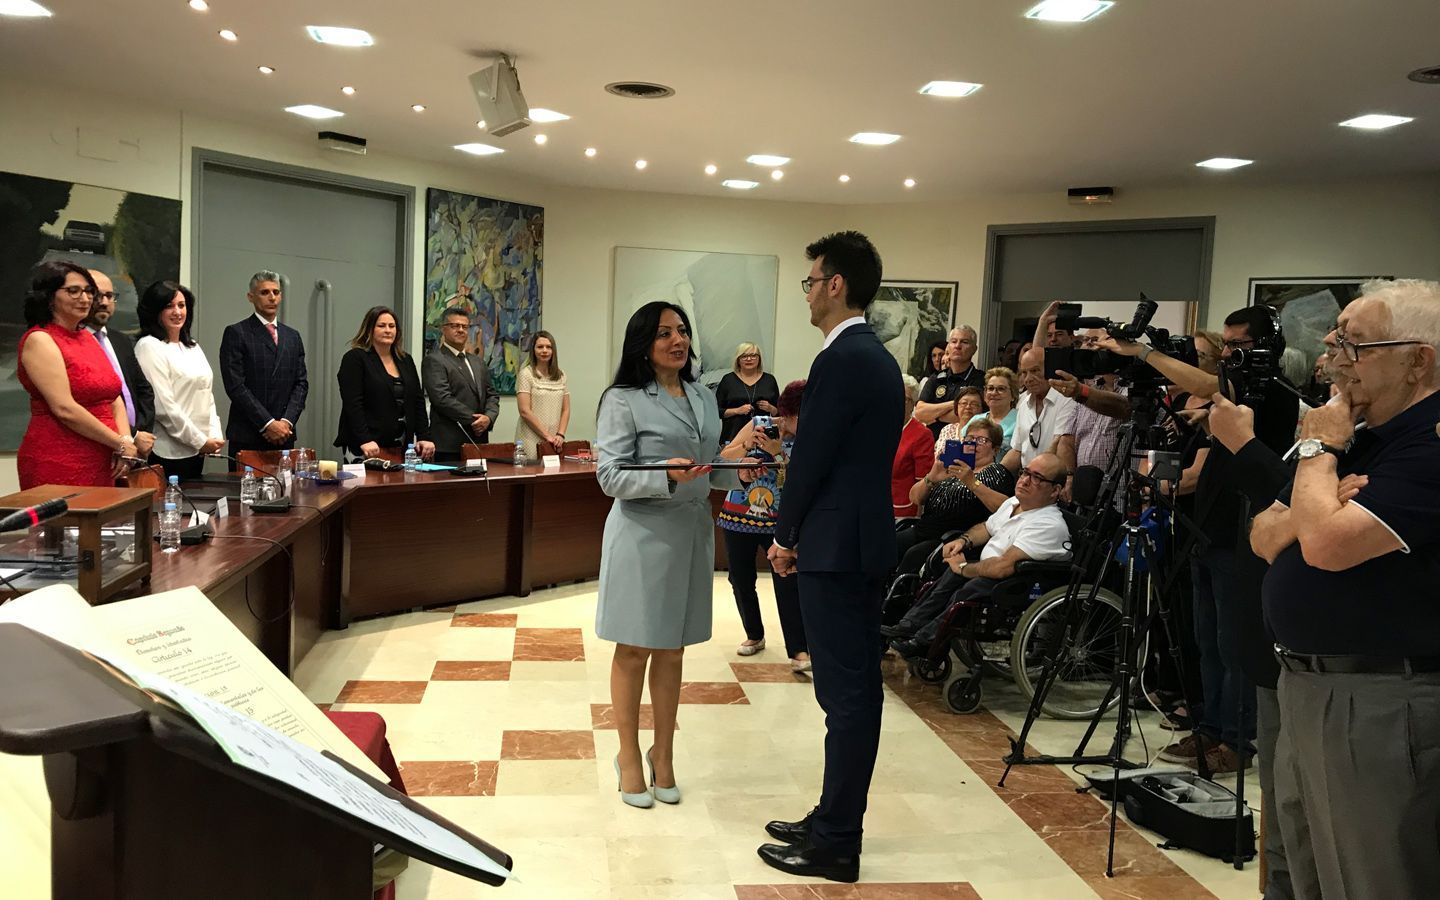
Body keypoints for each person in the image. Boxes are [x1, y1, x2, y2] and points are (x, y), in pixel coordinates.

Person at [1251, 278, 1440, 900]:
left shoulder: (1424, 444)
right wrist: (1318, 498)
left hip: (1380, 696)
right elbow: (1263, 535)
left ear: (1418, 360)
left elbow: (1327, 546)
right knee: (1303, 870)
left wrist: (1316, 454)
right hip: (1306, 682)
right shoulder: (1354, 433)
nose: (1333, 357)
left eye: (1355, 345)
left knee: (1371, 877)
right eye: (1335, 341)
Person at [1097, 307, 1298, 777]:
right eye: (1224, 345)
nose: (1228, 355)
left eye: (1237, 345)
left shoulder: (1273, 391)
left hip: (1242, 532)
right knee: (1207, 640)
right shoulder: (1235, 395)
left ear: (1265, 346)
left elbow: (1209, 384)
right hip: (1206, 528)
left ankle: (1237, 739)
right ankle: (1210, 726)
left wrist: (1143, 352)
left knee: (1234, 643)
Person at [759, 230, 902, 883]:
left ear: (835, 284)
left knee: (847, 696)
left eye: (811, 281)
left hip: (836, 546)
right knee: (849, 692)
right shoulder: (873, 357)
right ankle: (830, 818)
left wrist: (785, 535)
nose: (808, 293)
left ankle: (838, 841)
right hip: (855, 541)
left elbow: (811, 457)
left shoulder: (843, 358)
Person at [594, 301, 737, 810]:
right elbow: (609, 475)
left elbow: (710, 468)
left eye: (682, 331)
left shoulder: (703, 396)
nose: (678, 341)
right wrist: (665, 475)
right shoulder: (624, 399)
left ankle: (665, 753)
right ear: (643, 343)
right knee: (636, 647)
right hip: (643, 534)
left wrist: (742, 461)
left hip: (692, 532)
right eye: (664, 333)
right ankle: (628, 754)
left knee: (674, 649)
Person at [886, 452, 1071, 656]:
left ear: (1055, 490)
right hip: (992, 569)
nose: (1025, 480)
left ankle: (925, 641)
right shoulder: (1013, 503)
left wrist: (964, 568)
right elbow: (986, 527)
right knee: (948, 574)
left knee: (969, 586)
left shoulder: (1048, 524)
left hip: (1017, 581)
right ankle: (909, 624)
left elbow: (1003, 567)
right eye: (1025, 472)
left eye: (1037, 478)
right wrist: (962, 541)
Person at [716, 379, 810, 670]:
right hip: (739, 513)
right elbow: (725, 457)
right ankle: (754, 634)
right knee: (741, 579)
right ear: (787, 412)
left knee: (787, 581)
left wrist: (778, 450)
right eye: (799, 416)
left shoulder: (809, 436)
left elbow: (803, 478)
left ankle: (798, 650)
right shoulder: (759, 424)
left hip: (780, 520)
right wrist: (748, 445)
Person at [15, 262, 133, 489]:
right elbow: (64, 408)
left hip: (103, 457)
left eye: (88, 291)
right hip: (59, 457)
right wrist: (119, 443)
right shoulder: (40, 339)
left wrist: (125, 442)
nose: (85, 298)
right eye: (73, 291)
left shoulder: (87, 337)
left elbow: (113, 396)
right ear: (49, 297)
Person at [897, 417, 1015, 575]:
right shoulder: (951, 468)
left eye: (981, 440)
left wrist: (971, 482)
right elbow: (915, 498)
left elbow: (1006, 509)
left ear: (995, 449)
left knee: (913, 555)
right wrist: (931, 478)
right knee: (886, 543)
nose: (973, 444)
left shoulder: (998, 472)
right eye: (970, 438)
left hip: (951, 538)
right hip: (922, 530)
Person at [133, 281, 225, 481]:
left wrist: (214, 435)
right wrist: (200, 441)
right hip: (168, 451)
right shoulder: (149, 346)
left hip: (196, 449)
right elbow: (164, 407)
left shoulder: (192, 346)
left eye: (181, 305)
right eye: (169, 306)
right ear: (155, 310)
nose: (177, 312)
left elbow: (206, 394)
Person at [219, 271, 308, 458]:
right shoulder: (237, 333)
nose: (272, 297)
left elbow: (301, 384)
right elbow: (235, 386)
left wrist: (286, 422)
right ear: (251, 297)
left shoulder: (292, 336)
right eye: (264, 292)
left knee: (285, 479)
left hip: (284, 435)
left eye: (276, 292)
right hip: (249, 434)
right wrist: (268, 423)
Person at [334, 306, 434, 462]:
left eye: (392, 326)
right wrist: (364, 439)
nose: (388, 330)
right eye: (381, 326)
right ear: (369, 330)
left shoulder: (405, 360)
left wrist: (424, 436)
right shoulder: (355, 358)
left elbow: (418, 400)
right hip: (365, 445)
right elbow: (353, 404)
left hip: (401, 445)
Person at [83, 269, 155, 461]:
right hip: (101, 447)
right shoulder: (76, 343)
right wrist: (132, 435)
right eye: (97, 295)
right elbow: (91, 404)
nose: (104, 302)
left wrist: (141, 433)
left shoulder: (120, 340)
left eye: (109, 296)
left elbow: (144, 390)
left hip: (137, 449)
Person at [423, 306, 499, 463]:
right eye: (455, 326)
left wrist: (489, 418)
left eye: (465, 326)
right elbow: (442, 399)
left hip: (478, 442)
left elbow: (492, 394)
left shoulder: (477, 362)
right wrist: (475, 420)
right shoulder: (434, 360)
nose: (460, 330)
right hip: (449, 445)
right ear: (443, 329)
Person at [1002, 346, 1077, 474]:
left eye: (1035, 371)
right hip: (1028, 477)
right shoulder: (1023, 404)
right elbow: (1017, 451)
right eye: (1024, 373)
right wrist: (992, 474)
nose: (1028, 379)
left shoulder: (1067, 400)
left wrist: (1033, 476)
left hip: (1051, 478)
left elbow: (1059, 445)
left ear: (1051, 370)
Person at [914, 325, 984, 438]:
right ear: (948, 347)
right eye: (954, 341)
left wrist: (933, 415)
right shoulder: (936, 378)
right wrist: (954, 404)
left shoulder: (980, 379)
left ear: (974, 349)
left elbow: (970, 417)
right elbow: (919, 412)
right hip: (932, 442)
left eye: (964, 342)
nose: (957, 346)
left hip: (963, 442)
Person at [514, 330, 570, 459]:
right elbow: (524, 411)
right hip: (530, 438)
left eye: (548, 347)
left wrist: (560, 435)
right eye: (540, 347)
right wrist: (547, 436)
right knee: (531, 470)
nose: (544, 350)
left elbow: (566, 409)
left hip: (555, 439)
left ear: (553, 350)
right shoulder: (526, 374)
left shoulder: (561, 375)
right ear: (533, 350)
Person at [714, 341, 780, 443]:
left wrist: (770, 408)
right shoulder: (728, 380)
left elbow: (780, 413)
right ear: (738, 360)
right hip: (733, 439)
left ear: (759, 359)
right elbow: (716, 411)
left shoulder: (769, 380)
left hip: (763, 439)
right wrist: (737, 410)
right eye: (744, 356)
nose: (749, 359)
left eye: (753, 355)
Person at [892, 375, 935, 517]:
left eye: (904, 398)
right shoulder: (880, 427)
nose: (898, 401)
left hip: (901, 510)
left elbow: (923, 481)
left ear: (913, 405)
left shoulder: (922, 434)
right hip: (871, 502)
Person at [968, 366, 1018, 454]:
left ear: (1013, 395)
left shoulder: (1020, 419)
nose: (994, 393)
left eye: (1001, 389)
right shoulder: (975, 419)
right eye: (990, 388)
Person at [933, 387, 984, 453]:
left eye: (974, 404)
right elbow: (937, 455)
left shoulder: (985, 432)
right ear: (957, 407)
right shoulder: (947, 429)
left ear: (981, 409)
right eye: (964, 403)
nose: (968, 407)